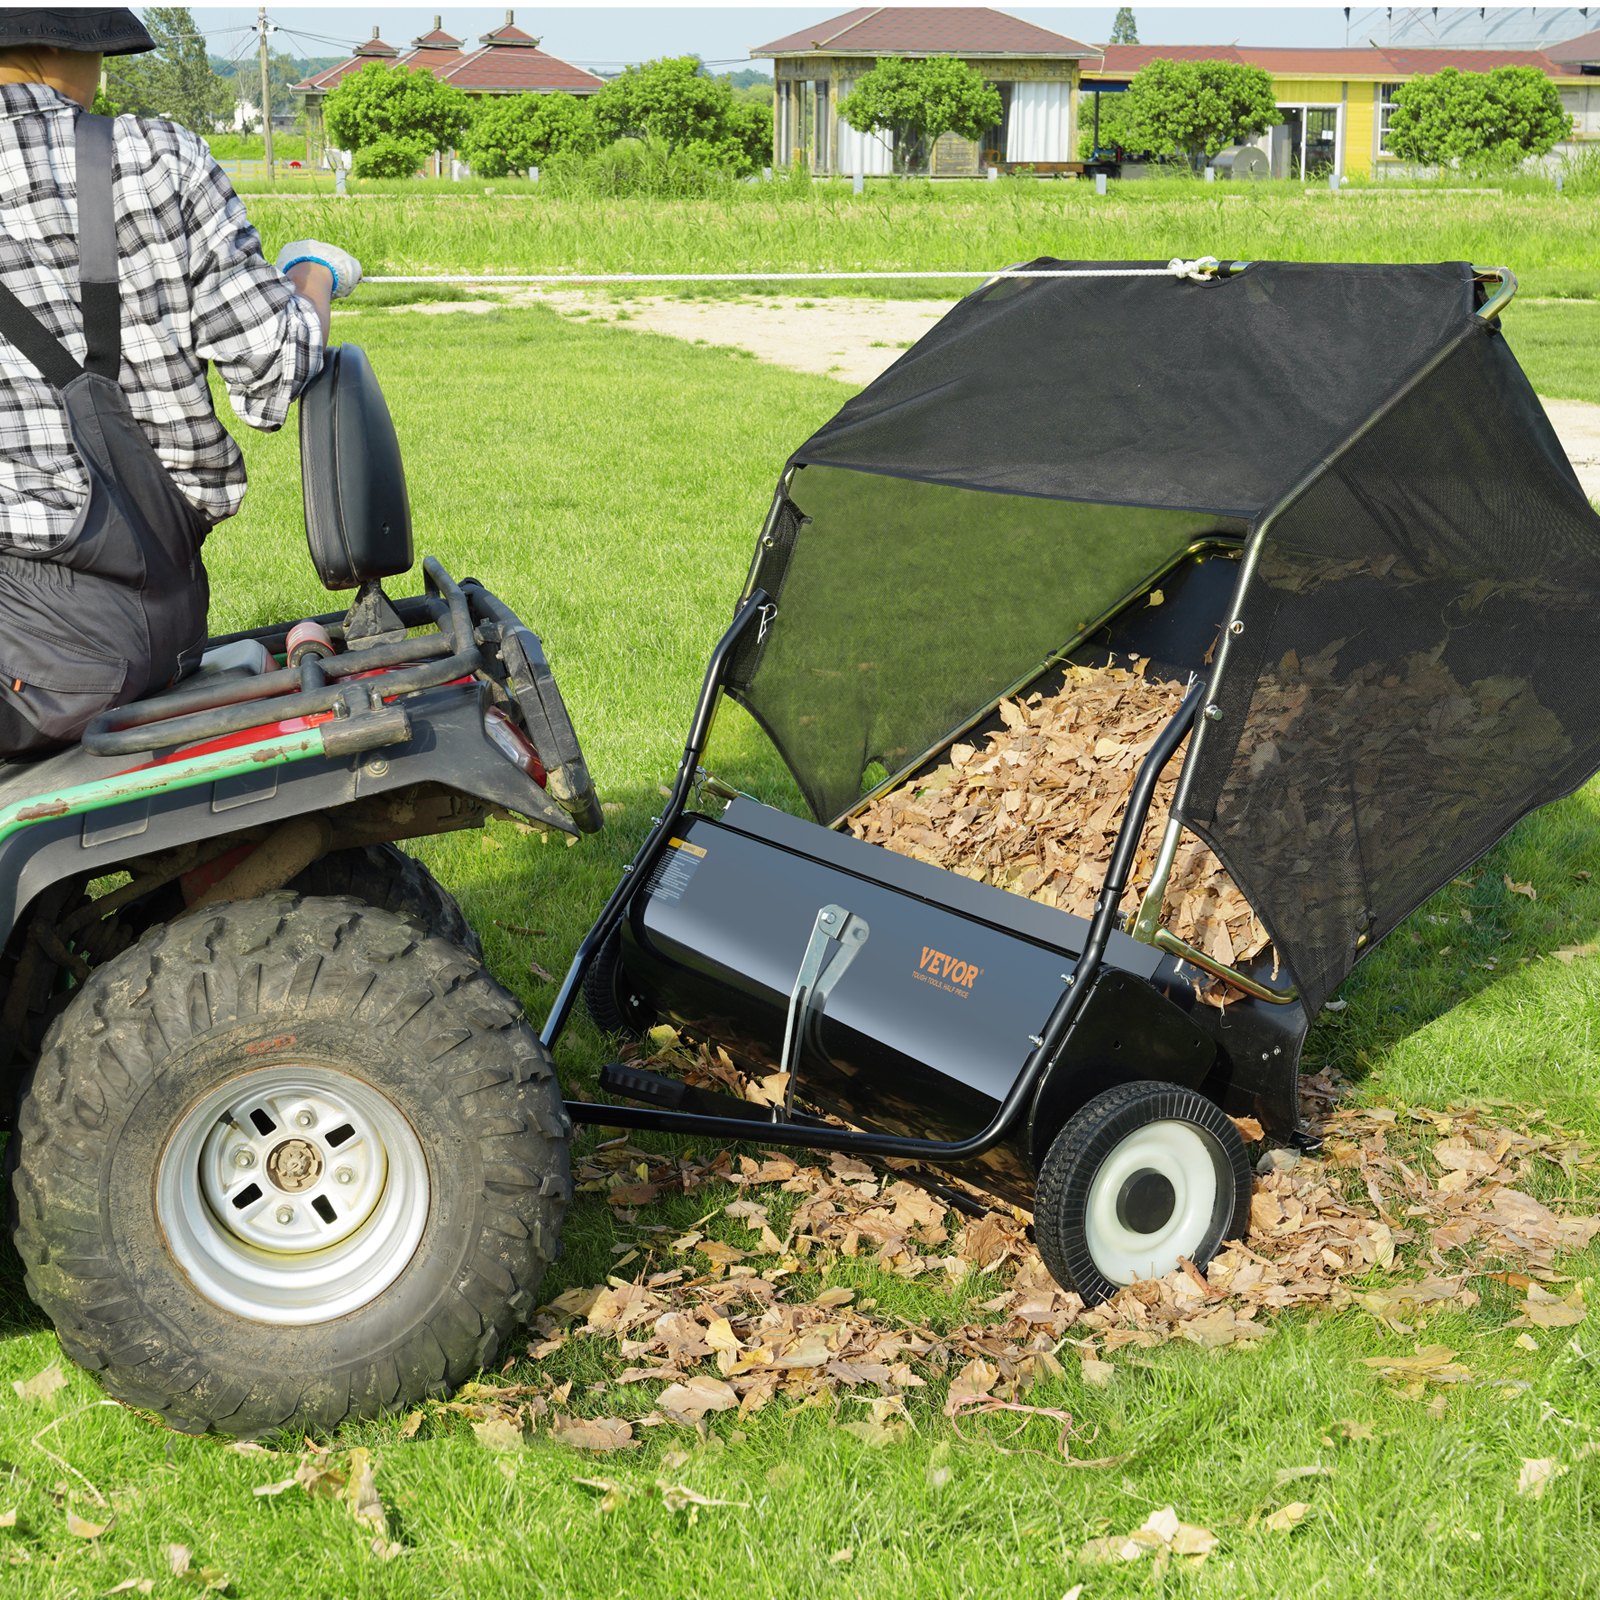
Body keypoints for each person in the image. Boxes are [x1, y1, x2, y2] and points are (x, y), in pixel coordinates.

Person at [0, 7, 361, 756]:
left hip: (24, 651)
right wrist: (313, 275)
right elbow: (276, 365)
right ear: (69, 47)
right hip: (153, 612)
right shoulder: (155, 158)